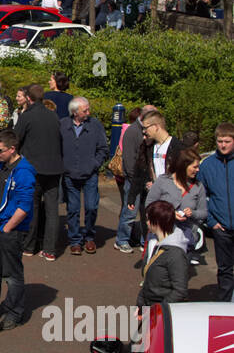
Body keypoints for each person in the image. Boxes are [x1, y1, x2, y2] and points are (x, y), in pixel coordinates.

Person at [0, 129, 36, 330]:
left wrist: (8, 228)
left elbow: (24, 207)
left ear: (12, 149)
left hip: (9, 230)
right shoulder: (2, 165)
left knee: (12, 274)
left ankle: (14, 313)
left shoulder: (24, 172)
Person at [16, 84, 64, 261]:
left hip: (33, 168)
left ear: (28, 98)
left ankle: (29, 246)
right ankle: (50, 250)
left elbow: (16, 139)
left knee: (32, 207)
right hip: (54, 168)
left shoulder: (27, 116)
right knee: (52, 210)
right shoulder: (53, 116)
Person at [60, 97, 108, 255]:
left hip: (90, 174)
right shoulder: (63, 125)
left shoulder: (94, 125)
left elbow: (103, 148)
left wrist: (94, 164)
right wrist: (63, 165)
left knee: (91, 207)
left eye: (88, 109)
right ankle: (75, 240)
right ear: (74, 113)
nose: (88, 112)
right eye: (84, 110)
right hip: (70, 174)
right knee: (73, 209)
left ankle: (89, 237)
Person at [145, 148, 207, 259]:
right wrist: (170, 214)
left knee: (179, 273)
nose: (198, 170)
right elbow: (149, 205)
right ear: (184, 166)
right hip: (160, 236)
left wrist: (192, 213)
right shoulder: (163, 181)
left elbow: (203, 213)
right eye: (194, 167)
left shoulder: (198, 187)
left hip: (184, 239)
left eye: (198, 167)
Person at [197, 124, 234, 300]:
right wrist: (212, 222)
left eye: (227, 141)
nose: (223, 145)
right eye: (220, 141)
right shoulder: (207, 165)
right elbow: (200, 195)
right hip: (221, 227)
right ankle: (225, 305)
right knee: (225, 269)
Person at [114, 105, 155, 253]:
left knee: (146, 212)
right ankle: (122, 239)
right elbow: (129, 159)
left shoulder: (149, 130)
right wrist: (134, 178)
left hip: (147, 178)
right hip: (134, 179)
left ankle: (145, 239)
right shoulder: (132, 131)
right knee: (130, 211)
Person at [136, 201, 189, 306]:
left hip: (163, 312)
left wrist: (160, 310)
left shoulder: (176, 254)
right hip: (149, 305)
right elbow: (147, 281)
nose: (146, 222)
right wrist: (140, 304)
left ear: (157, 222)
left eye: (148, 219)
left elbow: (180, 291)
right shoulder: (154, 243)